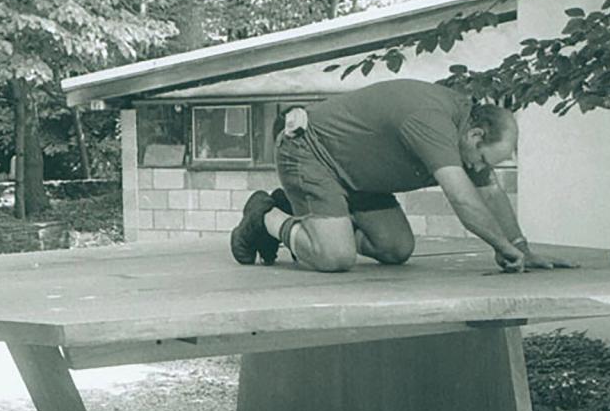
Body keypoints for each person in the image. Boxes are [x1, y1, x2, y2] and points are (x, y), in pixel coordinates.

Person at [229, 77, 569, 273]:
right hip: (311, 155)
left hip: (359, 177)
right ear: (476, 135)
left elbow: (491, 194)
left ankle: (312, 221)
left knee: (395, 249)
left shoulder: (466, 131)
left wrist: (523, 247)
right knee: (336, 257)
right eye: (482, 159)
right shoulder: (432, 122)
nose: (481, 168)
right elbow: (464, 201)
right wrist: (502, 248)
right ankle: (267, 217)